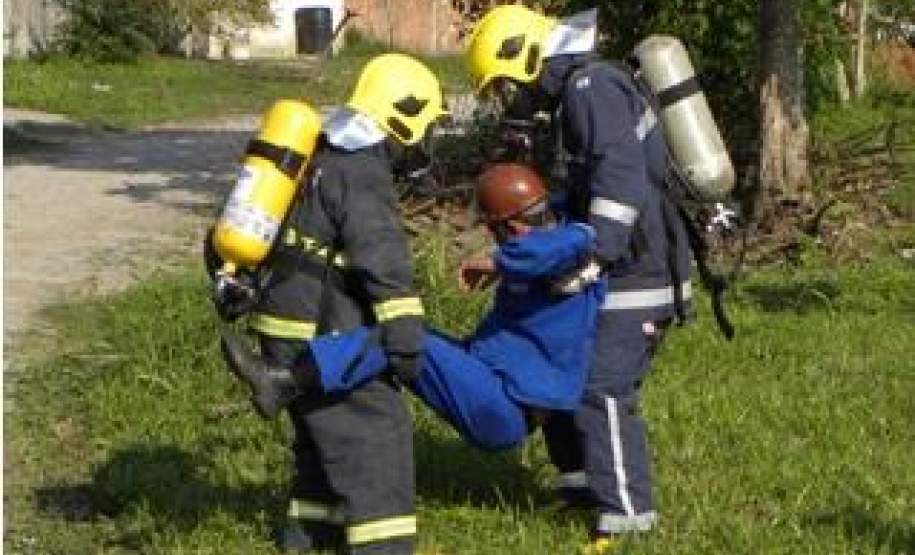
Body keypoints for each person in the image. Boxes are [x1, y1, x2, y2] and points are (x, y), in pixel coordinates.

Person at [465, 5, 693, 552]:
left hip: (639, 271)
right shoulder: (578, 96)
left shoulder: (589, 87)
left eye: (503, 86)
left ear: (523, 60)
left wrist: (597, 257)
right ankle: (579, 485)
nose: (509, 100)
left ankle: (628, 517)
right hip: (623, 264)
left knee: (603, 388)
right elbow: (585, 189)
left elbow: (620, 183)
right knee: (561, 363)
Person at [206, 53, 447, 555]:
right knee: (378, 439)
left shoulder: (317, 153)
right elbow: (381, 258)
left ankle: (307, 536)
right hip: (320, 331)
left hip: (279, 323)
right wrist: (405, 337)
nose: (423, 143)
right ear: (403, 118)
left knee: (320, 441)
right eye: (424, 128)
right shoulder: (362, 174)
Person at [220, 163, 604, 452]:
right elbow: (534, 242)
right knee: (398, 335)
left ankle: (285, 382)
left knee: (406, 334)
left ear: (508, 226)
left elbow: (541, 250)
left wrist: (494, 262)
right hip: (492, 385)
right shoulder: (552, 237)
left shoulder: (574, 243)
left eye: (496, 230)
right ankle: (309, 388)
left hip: (506, 409)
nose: (496, 240)